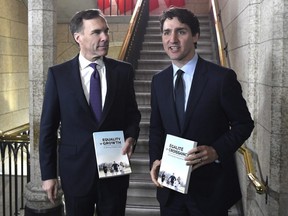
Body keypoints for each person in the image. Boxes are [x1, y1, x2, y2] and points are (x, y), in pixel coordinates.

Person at [149, 7, 254, 216]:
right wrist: (155, 159)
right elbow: (156, 128)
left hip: (210, 191)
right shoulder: (158, 81)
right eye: (166, 32)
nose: (173, 39)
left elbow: (244, 124)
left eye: (181, 31)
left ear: (196, 35)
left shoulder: (221, 79)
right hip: (171, 191)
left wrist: (216, 150)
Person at [39, 9, 141, 216]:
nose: (105, 37)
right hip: (76, 172)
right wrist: (48, 175)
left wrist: (131, 136)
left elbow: (133, 114)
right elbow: (47, 129)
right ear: (78, 38)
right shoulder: (58, 75)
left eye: (106, 31)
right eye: (96, 32)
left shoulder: (123, 72)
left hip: (114, 171)